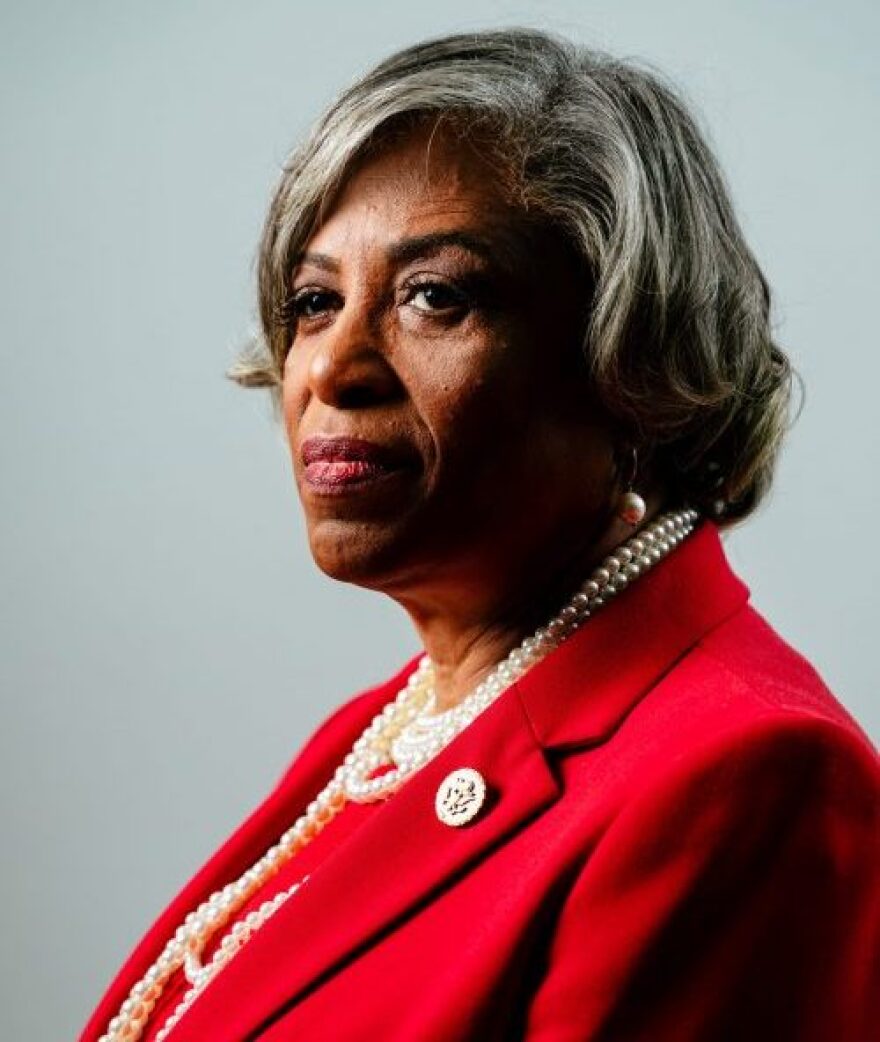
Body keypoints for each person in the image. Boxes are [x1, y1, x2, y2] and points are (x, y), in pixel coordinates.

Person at [80, 28, 879, 1042]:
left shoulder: (745, 773)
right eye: (314, 303)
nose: (332, 368)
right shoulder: (385, 734)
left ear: (630, 361)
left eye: (435, 296)